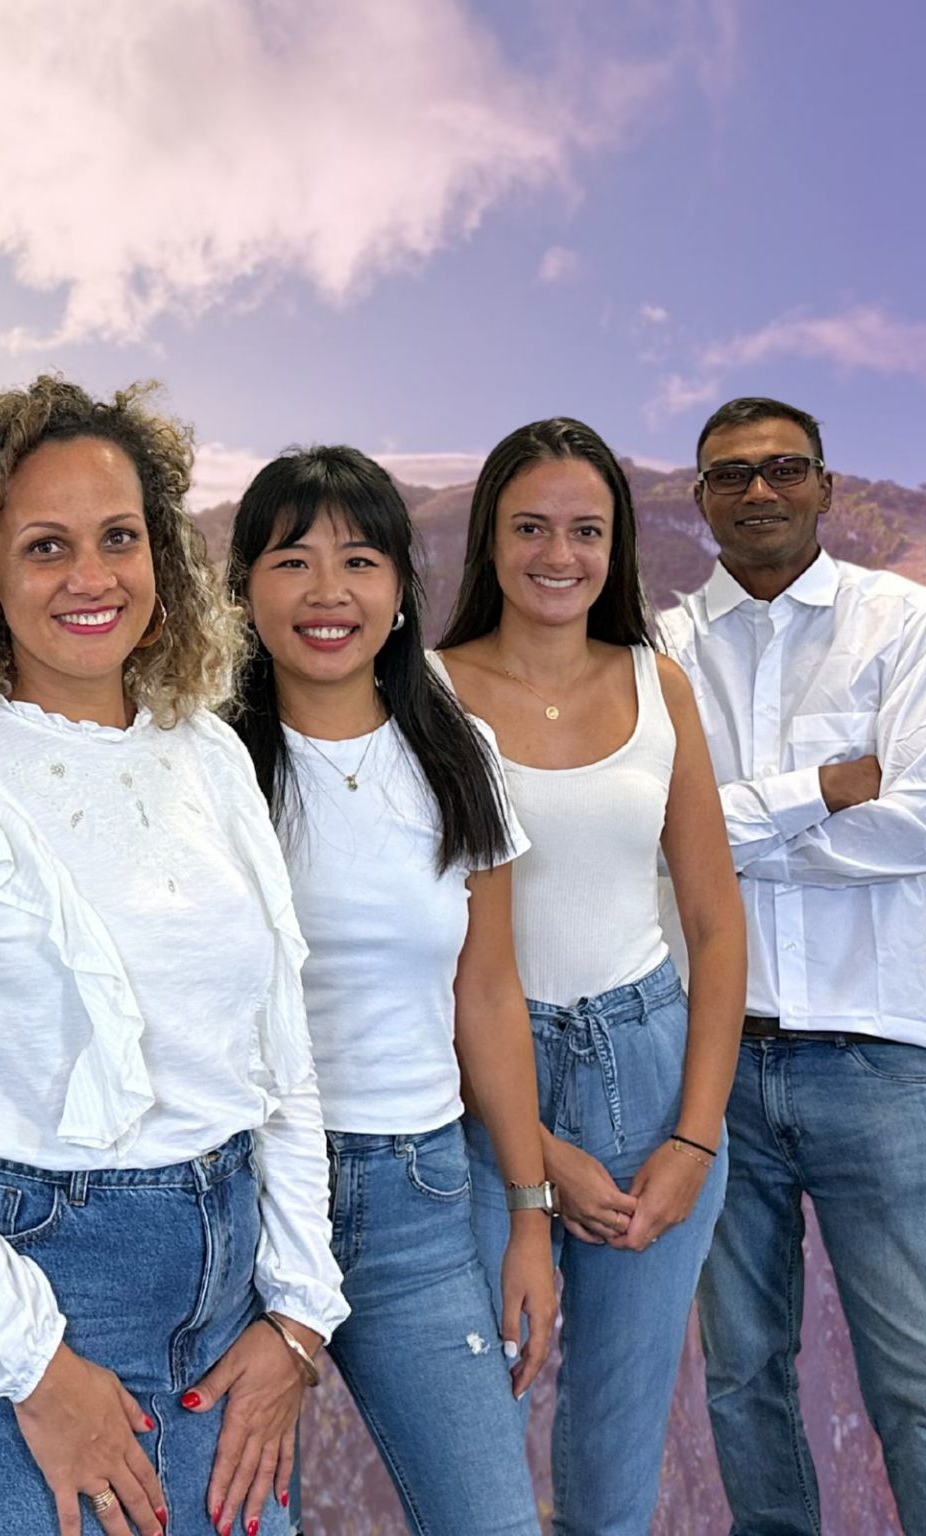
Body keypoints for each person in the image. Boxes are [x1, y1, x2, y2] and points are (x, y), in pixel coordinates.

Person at [0, 376, 346, 1536]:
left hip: (228, 1312)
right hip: (4, 1325)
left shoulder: (210, 758)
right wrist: (39, 1369)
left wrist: (298, 1319)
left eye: (118, 538)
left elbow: (280, 1059)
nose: (91, 577)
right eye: (45, 547)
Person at [225, 446, 552, 1535]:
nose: (329, 594)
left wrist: (528, 1213)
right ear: (243, 588)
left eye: (360, 560)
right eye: (292, 561)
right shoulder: (205, 765)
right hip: (248, 1202)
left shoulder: (461, 756)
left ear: (405, 589)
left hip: (418, 1201)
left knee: (492, 1519)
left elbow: (490, 997)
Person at [435, 417, 746, 1535]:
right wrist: (539, 1153)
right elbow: (434, 957)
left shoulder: (659, 687)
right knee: (475, 1447)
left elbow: (713, 923)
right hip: (480, 1088)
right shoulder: (423, 694)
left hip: (651, 1070)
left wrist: (695, 1139)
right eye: (531, 528)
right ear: (489, 540)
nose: (558, 555)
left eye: (585, 530)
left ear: (616, 547)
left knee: (615, 1465)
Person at [660, 396, 926, 1534]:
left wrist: (717, 840)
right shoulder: (657, 646)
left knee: (915, 1378)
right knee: (743, 1378)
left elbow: (918, 822)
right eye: (733, 475)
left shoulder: (902, 624)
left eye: (783, 470)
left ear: (823, 484)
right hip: (709, 1069)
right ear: (701, 498)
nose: (759, 492)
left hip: (878, 1062)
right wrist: (823, 788)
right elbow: (641, 832)